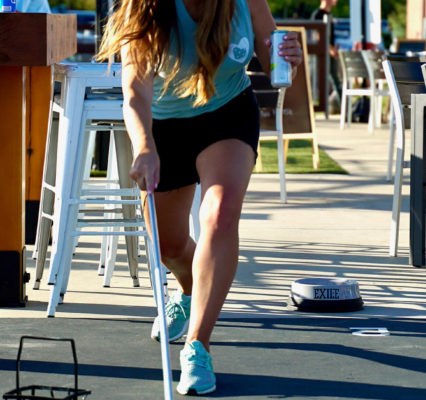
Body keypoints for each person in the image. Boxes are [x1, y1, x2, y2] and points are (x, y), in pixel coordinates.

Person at [97, 0, 302, 395]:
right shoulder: (145, 7)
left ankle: (198, 346)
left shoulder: (245, 3)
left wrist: (289, 61)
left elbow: (275, 58)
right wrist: (144, 146)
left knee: (220, 214)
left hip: (227, 113)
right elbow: (135, 93)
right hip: (164, 125)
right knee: (168, 245)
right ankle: (190, 292)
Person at [311, 0, 342, 108]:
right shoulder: (318, 15)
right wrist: (330, 49)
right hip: (324, 53)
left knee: (335, 80)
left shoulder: (330, 15)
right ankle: (342, 107)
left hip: (331, 52)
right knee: (329, 80)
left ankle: (343, 107)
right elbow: (317, 36)